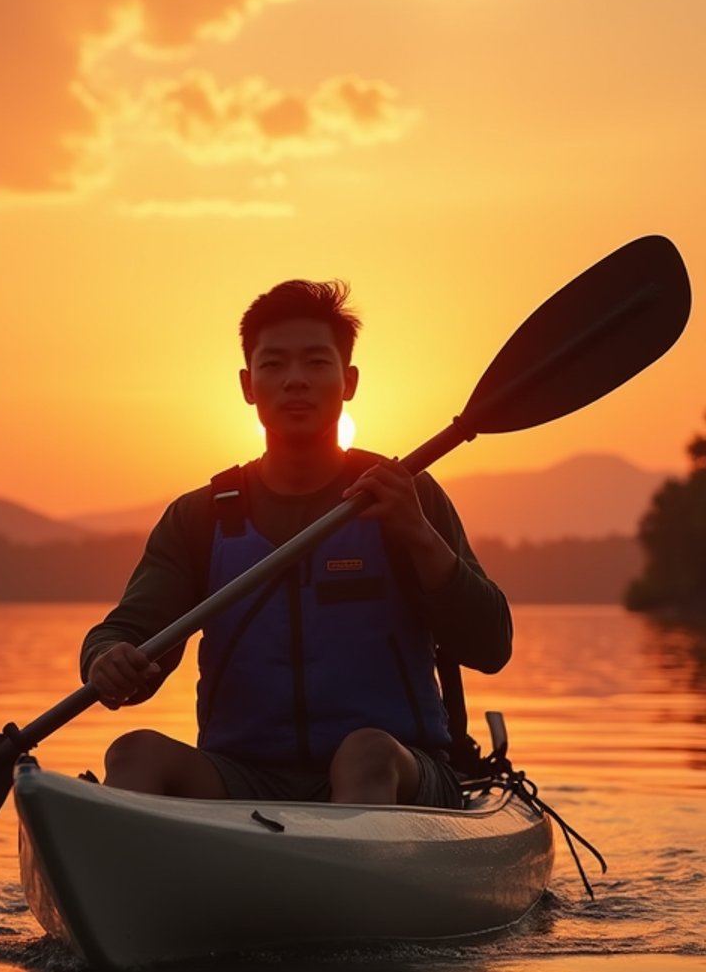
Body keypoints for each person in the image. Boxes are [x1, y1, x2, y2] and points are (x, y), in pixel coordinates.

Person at [82, 280, 511, 807]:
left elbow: (492, 646)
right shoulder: (201, 517)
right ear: (248, 384)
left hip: (402, 776)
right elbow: (127, 632)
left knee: (364, 754)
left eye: (315, 363)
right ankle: (126, 881)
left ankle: (354, 881)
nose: (295, 382)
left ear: (348, 381)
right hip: (245, 779)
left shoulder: (406, 493)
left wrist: (418, 534)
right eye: (274, 365)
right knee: (134, 753)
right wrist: (105, 658)